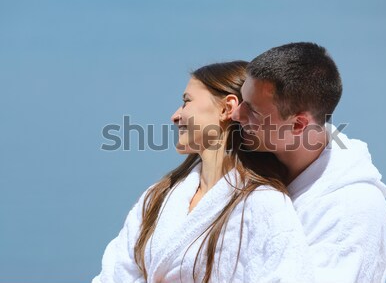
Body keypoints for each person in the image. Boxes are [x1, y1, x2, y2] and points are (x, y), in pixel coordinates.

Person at [92, 61, 314, 283]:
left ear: (227, 109)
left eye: (186, 101)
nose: (175, 115)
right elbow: (114, 274)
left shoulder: (265, 205)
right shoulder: (158, 198)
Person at [232, 43, 386, 283]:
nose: (236, 115)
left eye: (253, 111)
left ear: (298, 125)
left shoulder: (351, 210)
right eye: (241, 100)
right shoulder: (261, 162)